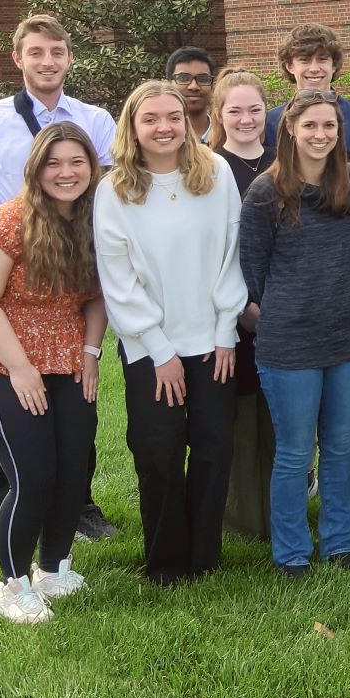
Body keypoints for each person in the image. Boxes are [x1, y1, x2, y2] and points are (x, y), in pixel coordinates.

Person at [0, 14, 117, 558]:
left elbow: (112, 191)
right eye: (36, 52)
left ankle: (73, 520)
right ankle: (2, 519)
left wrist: (91, 348)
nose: (47, 61)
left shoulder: (94, 119)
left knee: (71, 442)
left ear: (69, 58)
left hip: (72, 289)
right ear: (18, 59)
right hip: (10, 282)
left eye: (57, 52)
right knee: (20, 443)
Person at [94, 81, 247, 585]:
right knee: (157, 453)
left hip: (213, 344)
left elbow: (232, 253)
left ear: (188, 121)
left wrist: (226, 330)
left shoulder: (216, 173)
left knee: (212, 448)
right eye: (151, 119)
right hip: (149, 348)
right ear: (132, 128)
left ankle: (203, 557)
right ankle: (164, 563)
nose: (164, 128)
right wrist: (159, 350)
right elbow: (118, 281)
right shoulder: (114, 190)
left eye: (174, 117)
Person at [0, 122, 106, 623]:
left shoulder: (95, 218)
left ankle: (54, 567)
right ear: (36, 168)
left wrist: (90, 356)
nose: (66, 173)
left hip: (67, 359)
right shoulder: (9, 221)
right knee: (34, 474)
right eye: (54, 163)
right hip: (3, 361)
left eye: (76, 162)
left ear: (92, 165)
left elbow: (100, 296)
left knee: (72, 472)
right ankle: (13, 583)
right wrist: (20, 369)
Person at [240, 89, 350, 575]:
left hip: (346, 339)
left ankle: (340, 544)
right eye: (310, 126)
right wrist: (281, 318)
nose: (320, 135)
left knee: (339, 447)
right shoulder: (265, 193)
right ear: (290, 129)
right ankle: (291, 552)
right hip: (288, 343)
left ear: (339, 132)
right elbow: (250, 275)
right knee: (295, 452)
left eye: (329, 127)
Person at [265, 23, 350, 496]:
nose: (314, 68)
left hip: (346, 269)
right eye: (304, 59)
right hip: (291, 275)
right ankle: (303, 468)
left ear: (334, 65)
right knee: (298, 376)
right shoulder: (271, 119)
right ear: (289, 66)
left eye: (322, 60)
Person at [209, 67, 277, 539]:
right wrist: (243, 310)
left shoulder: (284, 164)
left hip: (284, 310)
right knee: (239, 419)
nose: (246, 118)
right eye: (235, 110)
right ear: (219, 114)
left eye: (255, 109)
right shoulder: (207, 168)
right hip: (227, 314)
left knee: (279, 419)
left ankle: (279, 513)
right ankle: (240, 520)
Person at [166, 45, 216, 142]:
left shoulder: (229, 138)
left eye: (203, 79)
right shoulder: (159, 139)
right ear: (168, 85)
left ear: (213, 87)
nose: (194, 87)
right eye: (183, 78)